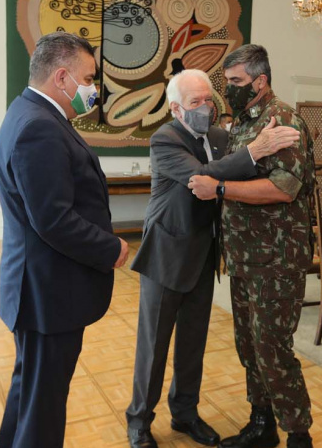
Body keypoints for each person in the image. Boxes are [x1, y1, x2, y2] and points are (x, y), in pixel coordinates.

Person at [125, 69, 301, 448]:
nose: (206, 107)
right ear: (175, 109)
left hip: (204, 255)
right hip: (166, 256)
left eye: (209, 99)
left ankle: (185, 413)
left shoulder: (220, 136)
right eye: (195, 102)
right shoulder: (164, 139)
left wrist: (268, 143)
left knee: (193, 342)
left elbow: (238, 169)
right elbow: (202, 178)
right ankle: (139, 419)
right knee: (153, 347)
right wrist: (255, 150)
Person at [0, 32, 130, 447]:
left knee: (30, 394)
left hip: (40, 289)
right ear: (62, 76)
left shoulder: (28, 113)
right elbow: (53, 219)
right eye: (89, 79)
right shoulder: (40, 127)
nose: (94, 89)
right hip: (47, 294)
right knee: (44, 409)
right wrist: (112, 248)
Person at [188, 45, 316, 448]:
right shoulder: (244, 123)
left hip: (276, 259)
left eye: (238, 82)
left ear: (261, 81)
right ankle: (262, 423)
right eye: (228, 83)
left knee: (272, 349)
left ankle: (298, 434)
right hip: (246, 256)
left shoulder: (283, 119)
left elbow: (284, 186)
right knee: (249, 346)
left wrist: (222, 189)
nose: (231, 90)